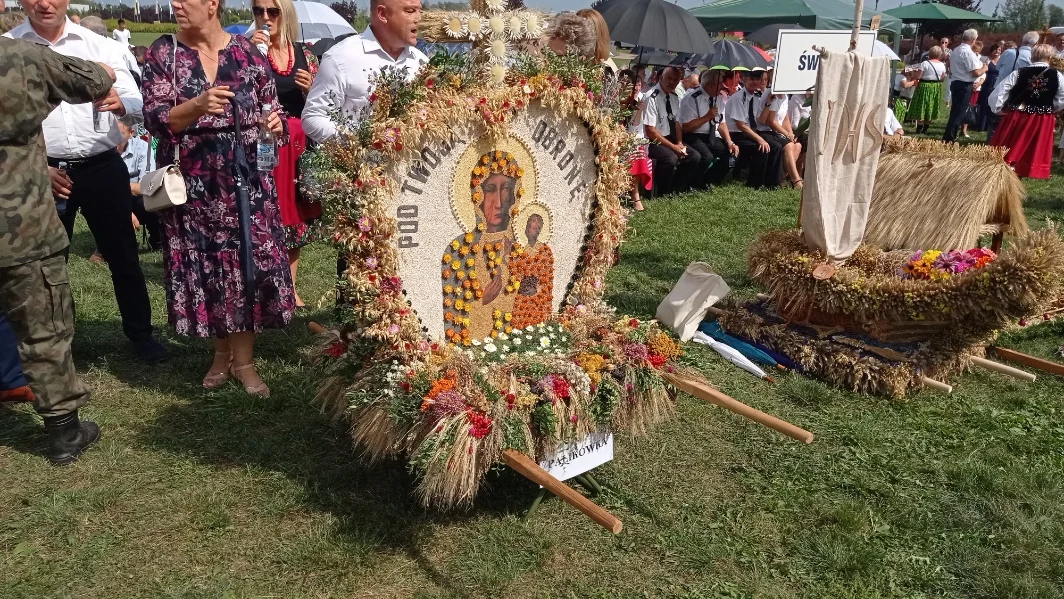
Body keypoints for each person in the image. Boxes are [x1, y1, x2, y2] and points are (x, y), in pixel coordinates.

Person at [141, 0, 293, 396]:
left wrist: (275, 123)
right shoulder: (164, 52)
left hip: (245, 181)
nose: (175, 4)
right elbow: (155, 118)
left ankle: (243, 362)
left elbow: (271, 109)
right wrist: (195, 106)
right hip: (191, 184)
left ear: (212, 4)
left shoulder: (246, 52)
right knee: (208, 267)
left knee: (244, 267)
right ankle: (220, 354)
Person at [6, 0, 168, 364]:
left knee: (123, 255)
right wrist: (35, 167)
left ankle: (141, 334)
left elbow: (140, 101)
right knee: (44, 266)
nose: (44, 4)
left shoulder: (101, 46)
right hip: (41, 170)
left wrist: (121, 103)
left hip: (101, 166)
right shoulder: (11, 47)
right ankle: (52, 347)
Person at [1, 36, 117, 463]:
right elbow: (93, 79)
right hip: (23, 226)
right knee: (44, 330)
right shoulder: (21, 56)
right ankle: (65, 431)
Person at [302, 0, 426, 308]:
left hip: (411, 185)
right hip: (360, 182)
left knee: (407, 260)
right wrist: (357, 143)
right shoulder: (343, 57)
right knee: (363, 263)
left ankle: (404, 330)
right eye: (410, 10)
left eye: (419, 9)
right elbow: (313, 116)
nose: (419, 18)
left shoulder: (421, 63)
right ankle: (353, 336)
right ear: (383, 14)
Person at [251, 0, 319, 309]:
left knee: (294, 217)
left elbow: (324, 104)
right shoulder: (246, 51)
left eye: (273, 11)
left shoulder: (305, 54)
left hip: (297, 146)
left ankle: (290, 287)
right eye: (258, 11)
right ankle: (264, 288)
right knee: (266, 215)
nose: (265, 17)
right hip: (264, 144)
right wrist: (249, 56)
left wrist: (312, 90)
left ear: (285, 14)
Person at [989, 44, 1064, 179]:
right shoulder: (1057, 75)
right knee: (1030, 149)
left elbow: (999, 92)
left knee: (1010, 149)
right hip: (1042, 119)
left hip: (1018, 115)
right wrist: (1049, 107)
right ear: (1050, 57)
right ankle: (1019, 173)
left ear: (1032, 56)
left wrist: (997, 108)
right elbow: (1062, 98)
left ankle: (1010, 174)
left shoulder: (1019, 72)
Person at [643, 65, 702, 196]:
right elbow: (650, 131)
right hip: (652, 141)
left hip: (669, 138)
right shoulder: (651, 97)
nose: (672, 82)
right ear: (660, 78)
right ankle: (662, 193)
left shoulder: (674, 97)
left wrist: (680, 143)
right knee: (670, 158)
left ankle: (675, 188)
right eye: (669, 78)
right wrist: (674, 148)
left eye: (675, 80)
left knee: (694, 156)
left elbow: (676, 124)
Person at [725, 71, 783, 189]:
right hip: (737, 134)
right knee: (761, 148)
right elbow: (741, 125)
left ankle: (772, 183)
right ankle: (754, 184)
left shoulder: (757, 96)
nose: (754, 82)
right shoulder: (738, 98)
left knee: (776, 146)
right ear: (744, 79)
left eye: (757, 79)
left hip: (751, 132)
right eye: (751, 78)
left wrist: (768, 104)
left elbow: (759, 119)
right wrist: (760, 139)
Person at [680, 69, 735, 189]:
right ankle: (691, 183)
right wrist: (707, 117)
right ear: (710, 85)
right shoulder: (692, 99)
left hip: (710, 136)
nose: (723, 86)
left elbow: (721, 123)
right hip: (694, 135)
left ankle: (706, 180)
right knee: (706, 157)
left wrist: (729, 141)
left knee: (730, 155)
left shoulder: (719, 98)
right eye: (720, 83)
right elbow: (686, 127)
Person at [943, 29, 988, 142]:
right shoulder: (967, 53)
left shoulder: (956, 50)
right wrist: (985, 68)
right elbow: (975, 72)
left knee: (955, 112)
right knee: (958, 113)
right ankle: (950, 138)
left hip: (956, 82)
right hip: (964, 84)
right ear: (974, 39)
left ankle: (949, 136)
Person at [756, 79, 802, 188]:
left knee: (798, 145)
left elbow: (785, 118)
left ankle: (782, 177)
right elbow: (770, 121)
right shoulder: (773, 94)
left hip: (778, 130)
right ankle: (796, 181)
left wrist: (791, 133)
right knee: (789, 145)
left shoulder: (785, 96)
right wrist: (786, 134)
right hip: (765, 130)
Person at [618, 68, 651, 211]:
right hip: (613, 137)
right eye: (631, 84)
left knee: (637, 150)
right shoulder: (613, 98)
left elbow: (634, 129)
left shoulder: (639, 100)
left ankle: (635, 193)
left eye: (637, 84)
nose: (635, 88)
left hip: (632, 137)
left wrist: (637, 111)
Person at [908, 45, 947, 134]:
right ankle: (926, 128)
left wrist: (912, 76)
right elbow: (942, 78)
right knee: (931, 105)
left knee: (921, 105)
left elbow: (918, 76)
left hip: (924, 85)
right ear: (940, 54)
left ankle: (919, 129)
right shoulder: (942, 65)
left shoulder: (925, 63)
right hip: (935, 87)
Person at [976, 42, 1002, 132]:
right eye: (995, 49)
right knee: (984, 104)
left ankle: (989, 125)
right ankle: (981, 125)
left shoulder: (1001, 61)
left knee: (992, 105)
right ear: (991, 50)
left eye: (999, 50)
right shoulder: (985, 59)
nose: (997, 51)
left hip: (996, 85)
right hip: (986, 85)